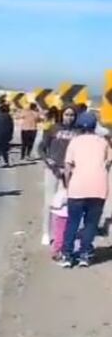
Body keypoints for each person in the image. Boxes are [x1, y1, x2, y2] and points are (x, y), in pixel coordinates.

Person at [57, 113, 112, 267]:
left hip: (77, 187)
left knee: (73, 222)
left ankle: (67, 255)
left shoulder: (74, 142)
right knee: (91, 223)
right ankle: (85, 254)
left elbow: (67, 167)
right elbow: (108, 163)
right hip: (98, 188)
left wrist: (68, 184)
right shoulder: (103, 142)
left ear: (79, 126)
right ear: (95, 126)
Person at [38, 105, 80, 246]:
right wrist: (49, 161)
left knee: (67, 203)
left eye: (72, 115)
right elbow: (42, 147)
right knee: (49, 201)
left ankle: (62, 232)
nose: (69, 117)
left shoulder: (78, 132)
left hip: (70, 171)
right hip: (52, 169)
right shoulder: (53, 128)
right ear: (62, 115)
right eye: (67, 114)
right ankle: (46, 231)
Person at [49, 178, 69, 258]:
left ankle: (56, 250)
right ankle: (61, 250)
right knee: (65, 234)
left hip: (60, 216)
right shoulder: (74, 193)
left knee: (59, 233)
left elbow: (53, 206)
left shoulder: (60, 193)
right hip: (69, 216)